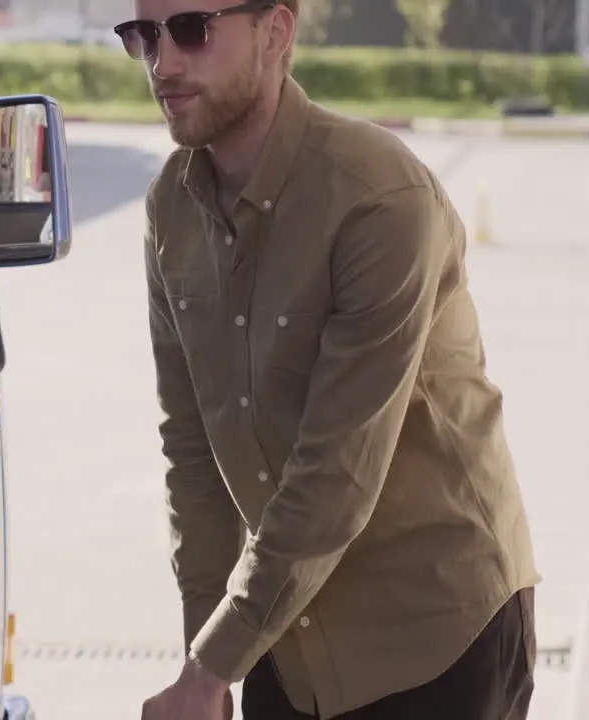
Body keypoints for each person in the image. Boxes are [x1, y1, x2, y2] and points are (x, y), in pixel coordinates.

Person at [116, 1, 539, 719]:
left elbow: (337, 472)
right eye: (143, 35)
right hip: (285, 639)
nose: (164, 62)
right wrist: (207, 664)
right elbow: (192, 453)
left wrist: (211, 666)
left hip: (435, 636)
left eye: (191, 29)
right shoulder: (171, 210)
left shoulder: (379, 198)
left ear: (276, 32)